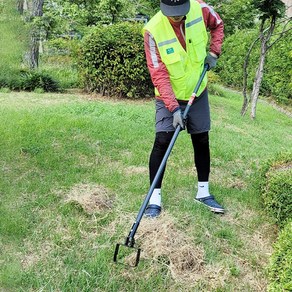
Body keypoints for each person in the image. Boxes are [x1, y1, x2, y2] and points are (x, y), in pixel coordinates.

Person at [142, 0, 225, 217]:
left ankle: (203, 193)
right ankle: (154, 199)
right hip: (167, 95)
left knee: (201, 138)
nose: (177, 17)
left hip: (197, 91)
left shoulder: (201, 8)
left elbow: (218, 24)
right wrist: (173, 109)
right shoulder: (152, 30)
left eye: (181, 12)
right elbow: (158, 72)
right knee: (162, 141)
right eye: (172, 14)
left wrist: (214, 53)